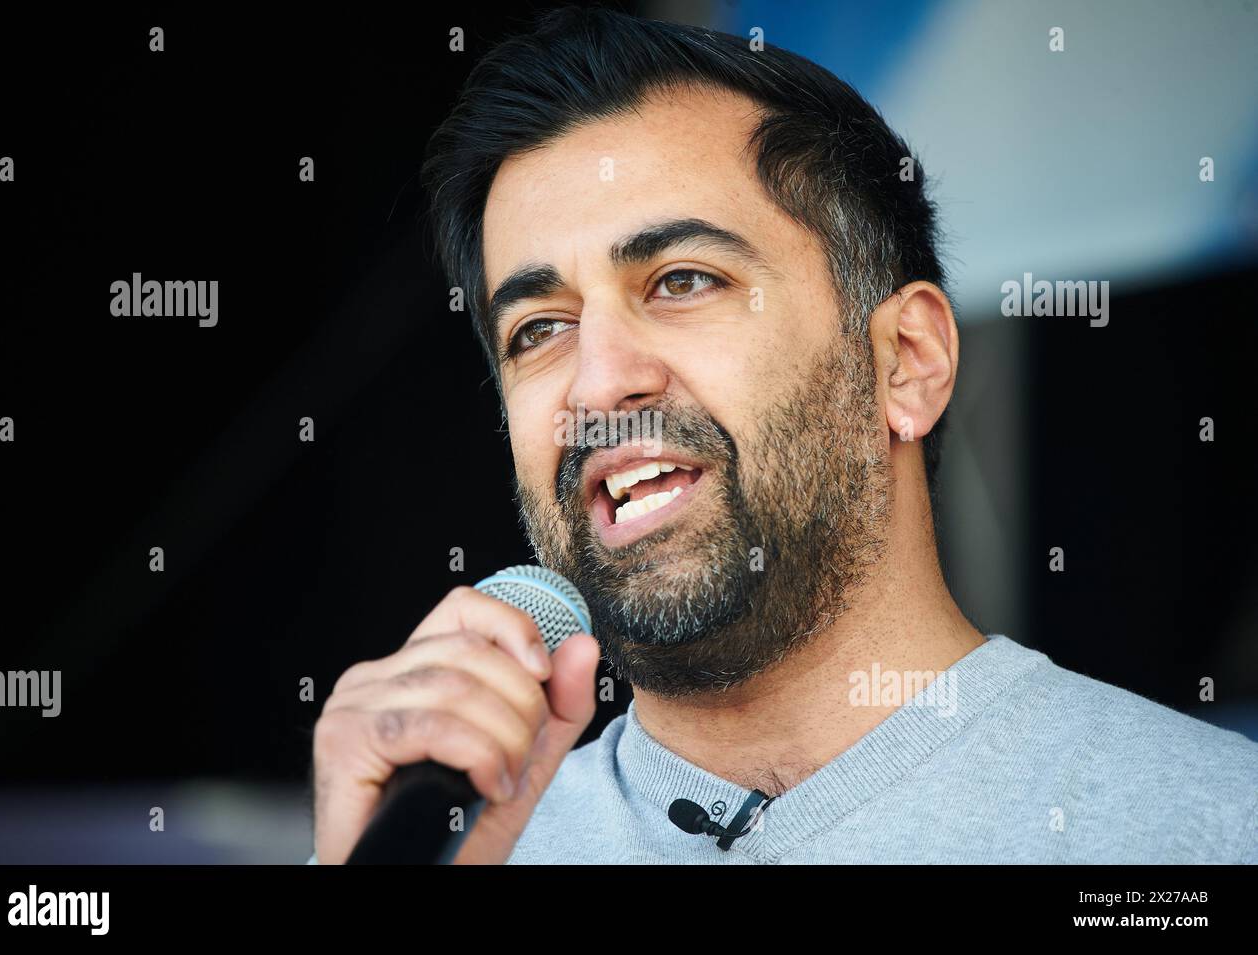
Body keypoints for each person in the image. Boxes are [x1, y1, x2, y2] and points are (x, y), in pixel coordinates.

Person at [310, 7, 1257, 864]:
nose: (599, 383)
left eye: (682, 280)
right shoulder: (442, 848)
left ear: (907, 361)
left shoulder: (1207, 828)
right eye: (539, 329)